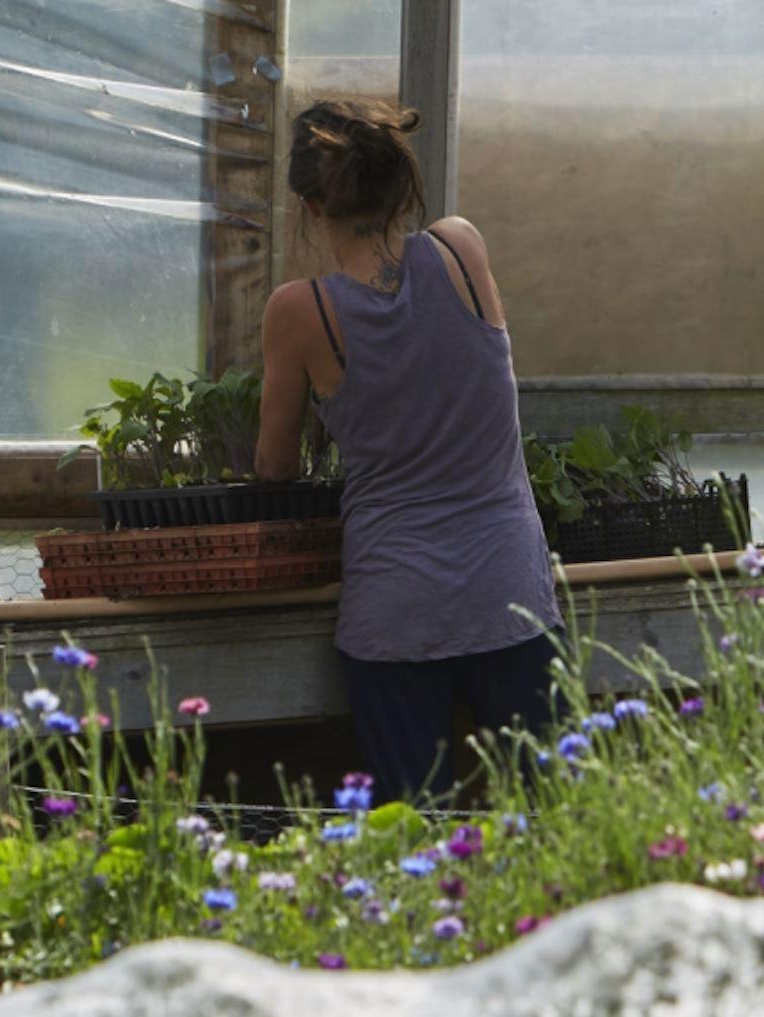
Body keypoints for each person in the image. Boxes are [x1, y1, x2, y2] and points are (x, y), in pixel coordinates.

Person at [255, 98, 563, 805]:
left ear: (310, 204)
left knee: (417, 832)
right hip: (509, 592)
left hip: (394, 611)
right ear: (400, 182)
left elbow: (274, 467)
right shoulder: (461, 249)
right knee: (550, 820)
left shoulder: (300, 310)